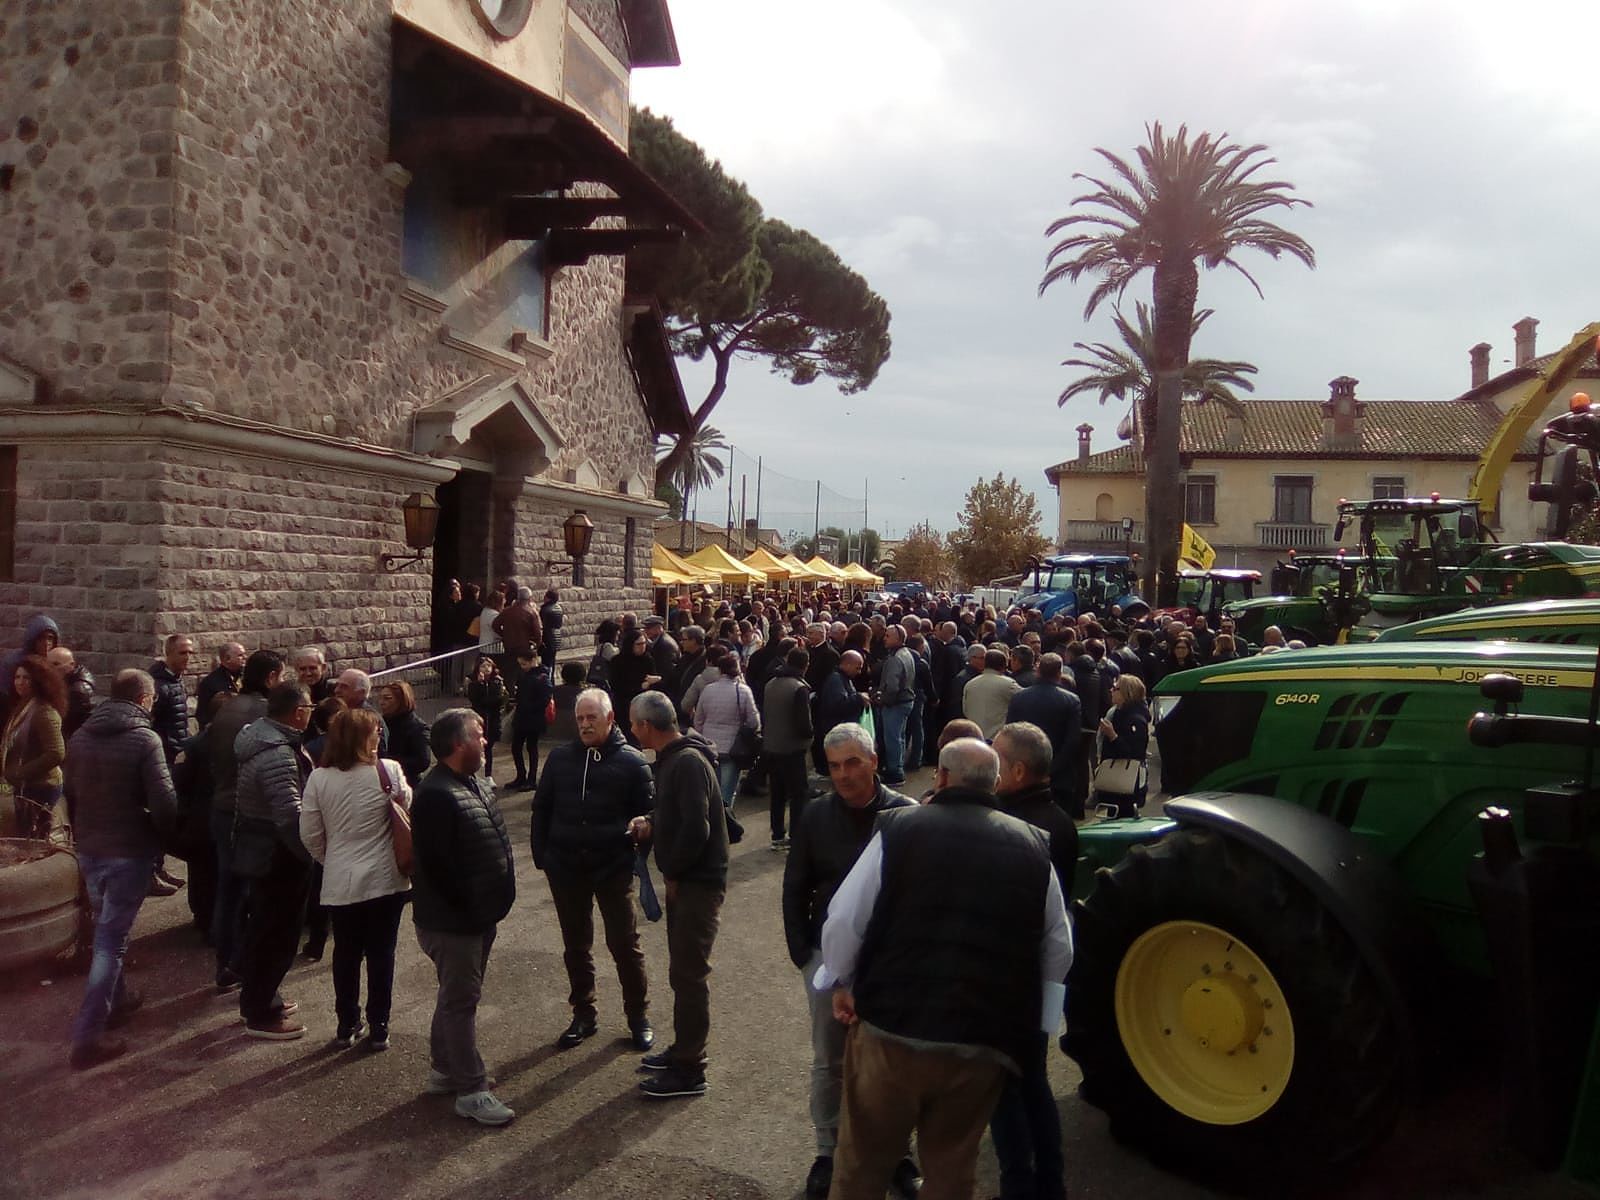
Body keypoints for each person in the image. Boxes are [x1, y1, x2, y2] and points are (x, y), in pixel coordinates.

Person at [817, 738, 1072, 1200]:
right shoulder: (1033, 847)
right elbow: (1058, 946)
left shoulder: (900, 829)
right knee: (952, 1171)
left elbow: (844, 919)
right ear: (994, 782)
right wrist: (1040, 1022)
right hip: (979, 1041)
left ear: (941, 777)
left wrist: (840, 981)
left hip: (892, 1030)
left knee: (862, 1167)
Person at [781, 723, 916, 1199]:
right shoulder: (816, 816)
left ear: (874, 760)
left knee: (892, 1061)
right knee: (829, 1060)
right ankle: (827, 1150)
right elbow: (795, 885)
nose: (842, 775)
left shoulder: (907, 816)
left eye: (851, 763)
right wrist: (804, 955)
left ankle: (898, 1155)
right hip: (827, 959)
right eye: (834, 766)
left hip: (888, 962)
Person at [63, 668, 178, 1069]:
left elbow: (72, 793)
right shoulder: (145, 739)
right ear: (145, 700)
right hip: (128, 851)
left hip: (91, 849)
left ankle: (117, 1002)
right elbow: (164, 802)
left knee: (106, 931)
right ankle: (87, 1037)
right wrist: (162, 835)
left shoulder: (80, 736)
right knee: (111, 943)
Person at [531, 689, 655, 1051]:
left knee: (624, 945)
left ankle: (638, 1016)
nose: (585, 724)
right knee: (576, 946)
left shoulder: (633, 763)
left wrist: (639, 841)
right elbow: (542, 807)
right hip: (566, 867)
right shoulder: (560, 759)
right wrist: (543, 856)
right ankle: (584, 1013)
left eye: (592, 718)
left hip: (612, 868)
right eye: (580, 718)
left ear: (610, 719)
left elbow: (650, 815)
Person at [411, 708, 517, 1126]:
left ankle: (444, 1068)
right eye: (479, 735)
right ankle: (471, 1090)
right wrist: (473, 910)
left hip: (474, 917)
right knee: (461, 1003)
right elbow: (438, 868)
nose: (486, 741)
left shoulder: (469, 780)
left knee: (454, 997)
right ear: (458, 744)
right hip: (454, 922)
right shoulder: (436, 793)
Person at [989, 722, 1078, 1200]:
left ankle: (1020, 1186)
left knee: (1006, 1089)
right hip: (1040, 976)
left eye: (996, 757)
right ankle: (1051, 1181)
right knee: (1035, 1083)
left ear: (1018, 770)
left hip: (1012, 978)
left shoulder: (1019, 827)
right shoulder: (1059, 819)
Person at [627, 691, 728, 1100]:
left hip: (696, 883)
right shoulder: (677, 758)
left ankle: (690, 1067)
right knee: (682, 972)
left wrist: (673, 871)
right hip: (690, 880)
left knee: (689, 975)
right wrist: (652, 822)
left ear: (647, 727)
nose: (631, 730)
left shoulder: (685, 762)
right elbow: (681, 815)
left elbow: (697, 828)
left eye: (633, 724)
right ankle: (684, 1050)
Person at [300, 707, 413, 1050]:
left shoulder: (319, 779)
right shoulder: (388, 771)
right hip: (385, 878)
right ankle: (380, 1023)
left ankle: (347, 1021)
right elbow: (406, 807)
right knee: (382, 952)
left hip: (340, 879)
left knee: (346, 953)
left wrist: (330, 858)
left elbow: (309, 833)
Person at [231, 682, 316, 1038]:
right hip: (278, 854)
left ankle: (263, 995)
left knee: (264, 926)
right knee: (277, 932)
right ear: (297, 712)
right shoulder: (279, 752)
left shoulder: (260, 737)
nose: (312, 711)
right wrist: (311, 853)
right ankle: (260, 1011)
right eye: (309, 706)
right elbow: (288, 816)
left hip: (260, 846)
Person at [205, 649, 284, 990]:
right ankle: (244, 965)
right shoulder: (266, 715)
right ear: (270, 678)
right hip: (251, 814)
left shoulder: (227, 708)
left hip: (223, 808)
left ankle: (226, 962)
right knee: (260, 895)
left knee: (229, 889)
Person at [1006, 653, 1085, 816]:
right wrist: (1054, 767)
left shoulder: (1019, 697)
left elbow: (1010, 732)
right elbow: (1073, 740)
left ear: (1038, 671)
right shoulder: (1071, 700)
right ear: (1059, 673)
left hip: (1025, 770)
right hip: (1060, 774)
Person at [3, 655, 66, 840]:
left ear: (38, 681)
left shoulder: (44, 712)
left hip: (42, 788)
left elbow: (56, 752)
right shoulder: (22, 707)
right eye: (17, 677)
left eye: (26, 678)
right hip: (26, 786)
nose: (20, 682)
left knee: (36, 840)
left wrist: (21, 772)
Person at [692, 656, 761, 813]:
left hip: (710, 745)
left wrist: (703, 735)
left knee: (712, 788)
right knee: (727, 792)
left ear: (719, 670)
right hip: (733, 747)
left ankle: (712, 820)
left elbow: (698, 719)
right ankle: (725, 823)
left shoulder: (708, 690)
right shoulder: (743, 691)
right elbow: (754, 721)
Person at [761, 647, 814, 849]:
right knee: (798, 794)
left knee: (777, 793)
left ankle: (777, 834)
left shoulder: (771, 684)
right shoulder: (799, 688)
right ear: (805, 665)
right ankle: (796, 835)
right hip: (793, 748)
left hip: (772, 745)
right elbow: (804, 725)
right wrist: (811, 735)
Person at [1097, 674, 1152, 817]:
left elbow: (1134, 752)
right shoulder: (1117, 713)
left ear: (1127, 692)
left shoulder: (1135, 719)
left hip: (1127, 784)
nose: (1111, 690)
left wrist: (1113, 736)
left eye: (1115, 688)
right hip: (1115, 783)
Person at [873, 625, 917, 787]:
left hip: (896, 703)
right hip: (906, 701)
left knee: (892, 738)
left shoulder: (895, 659)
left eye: (888, 636)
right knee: (900, 737)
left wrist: (883, 699)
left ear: (898, 639)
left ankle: (895, 772)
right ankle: (898, 767)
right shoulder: (907, 654)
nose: (885, 638)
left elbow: (892, 686)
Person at [506, 653, 552, 792]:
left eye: (524, 664)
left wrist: (529, 707)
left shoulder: (542, 677)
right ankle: (521, 776)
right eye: (521, 664)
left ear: (533, 661)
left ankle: (531, 779)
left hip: (534, 718)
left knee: (532, 748)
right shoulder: (524, 675)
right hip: (521, 716)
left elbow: (545, 699)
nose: (522, 667)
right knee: (516, 747)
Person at [378, 681, 431, 787]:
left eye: (387, 698)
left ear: (402, 700)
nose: (381, 702)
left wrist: (388, 763)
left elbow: (422, 761)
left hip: (407, 783)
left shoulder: (417, 727)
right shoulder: (380, 722)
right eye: (381, 698)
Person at [963, 648, 1022, 742]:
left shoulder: (970, 684)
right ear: (1004, 666)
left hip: (974, 739)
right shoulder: (1008, 684)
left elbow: (965, 710)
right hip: (997, 739)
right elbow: (1024, 700)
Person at [466, 656, 506, 777]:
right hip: (479, 718)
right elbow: (474, 699)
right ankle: (472, 773)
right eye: (483, 666)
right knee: (475, 747)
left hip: (493, 719)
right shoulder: (473, 682)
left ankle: (488, 775)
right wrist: (479, 684)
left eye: (488, 666)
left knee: (489, 748)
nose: (486, 668)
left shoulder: (497, 681)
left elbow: (496, 700)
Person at [46, 645, 95, 740]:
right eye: (48, 664)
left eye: (56, 664)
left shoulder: (78, 692)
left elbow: (65, 725)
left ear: (71, 665)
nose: (50, 668)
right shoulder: (65, 682)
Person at [492, 586, 542, 676]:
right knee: (523, 674)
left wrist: (504, 635)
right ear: (530, 598)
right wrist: (535, 646)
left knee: (510, 674)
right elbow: (538, 633)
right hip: (524, 648)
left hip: (509, 646)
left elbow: (495, 625)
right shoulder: (531, 613)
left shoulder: (507, 611)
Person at [196, 642, 246, 731]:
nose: (245, 658)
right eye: (240, 655)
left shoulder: (247, 677)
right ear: (227, 658)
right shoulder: (210, 682)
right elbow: (202, 715)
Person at [540, 588, 564, 670]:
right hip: (557, 638)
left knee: (546, 663)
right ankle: (551, 680)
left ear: (548, 598)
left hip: (548, 638)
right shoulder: (559, 608)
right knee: (552, 662)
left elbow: (542, 624)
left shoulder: (545, 609)